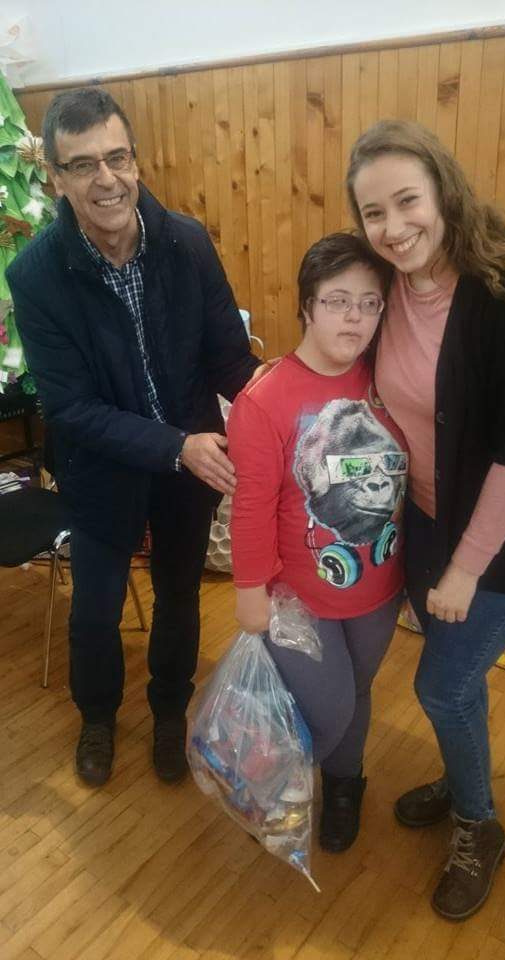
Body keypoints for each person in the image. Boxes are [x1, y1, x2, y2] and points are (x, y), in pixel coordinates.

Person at [7, 87, 259, 788]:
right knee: (94, 612)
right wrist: (175, 444)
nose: (106, 179)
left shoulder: (187, 242)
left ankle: (170, 712)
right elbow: (70, 408)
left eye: (117, 158)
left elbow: (230, 361)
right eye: (82, 165)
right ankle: (98, 717)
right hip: (100, 471)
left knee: (179, 597)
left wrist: (289, 399)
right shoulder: (36, 275)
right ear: (55, 177)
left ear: (136, 161)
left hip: (189, 473)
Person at [347, 119, 505, 920]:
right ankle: (463, 778)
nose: (393, 228)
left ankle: (479, 824)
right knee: (453, 686)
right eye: (373, 213)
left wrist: (465, 570)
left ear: (443, 192)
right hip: (429, 520)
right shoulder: (387, 286)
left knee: (443, 684)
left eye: (407, 202)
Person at [227, 232, 408, 853]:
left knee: (357, 692)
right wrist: (249, 591)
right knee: (330, 708)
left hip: (379, 585)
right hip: (298, 595)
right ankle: (272, 788)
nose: (354, 317)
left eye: (369, 303)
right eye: (337, 301)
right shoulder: (265, 399)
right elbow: (252, 505)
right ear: (307, 305)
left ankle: (345, 784)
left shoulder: (386, 380)